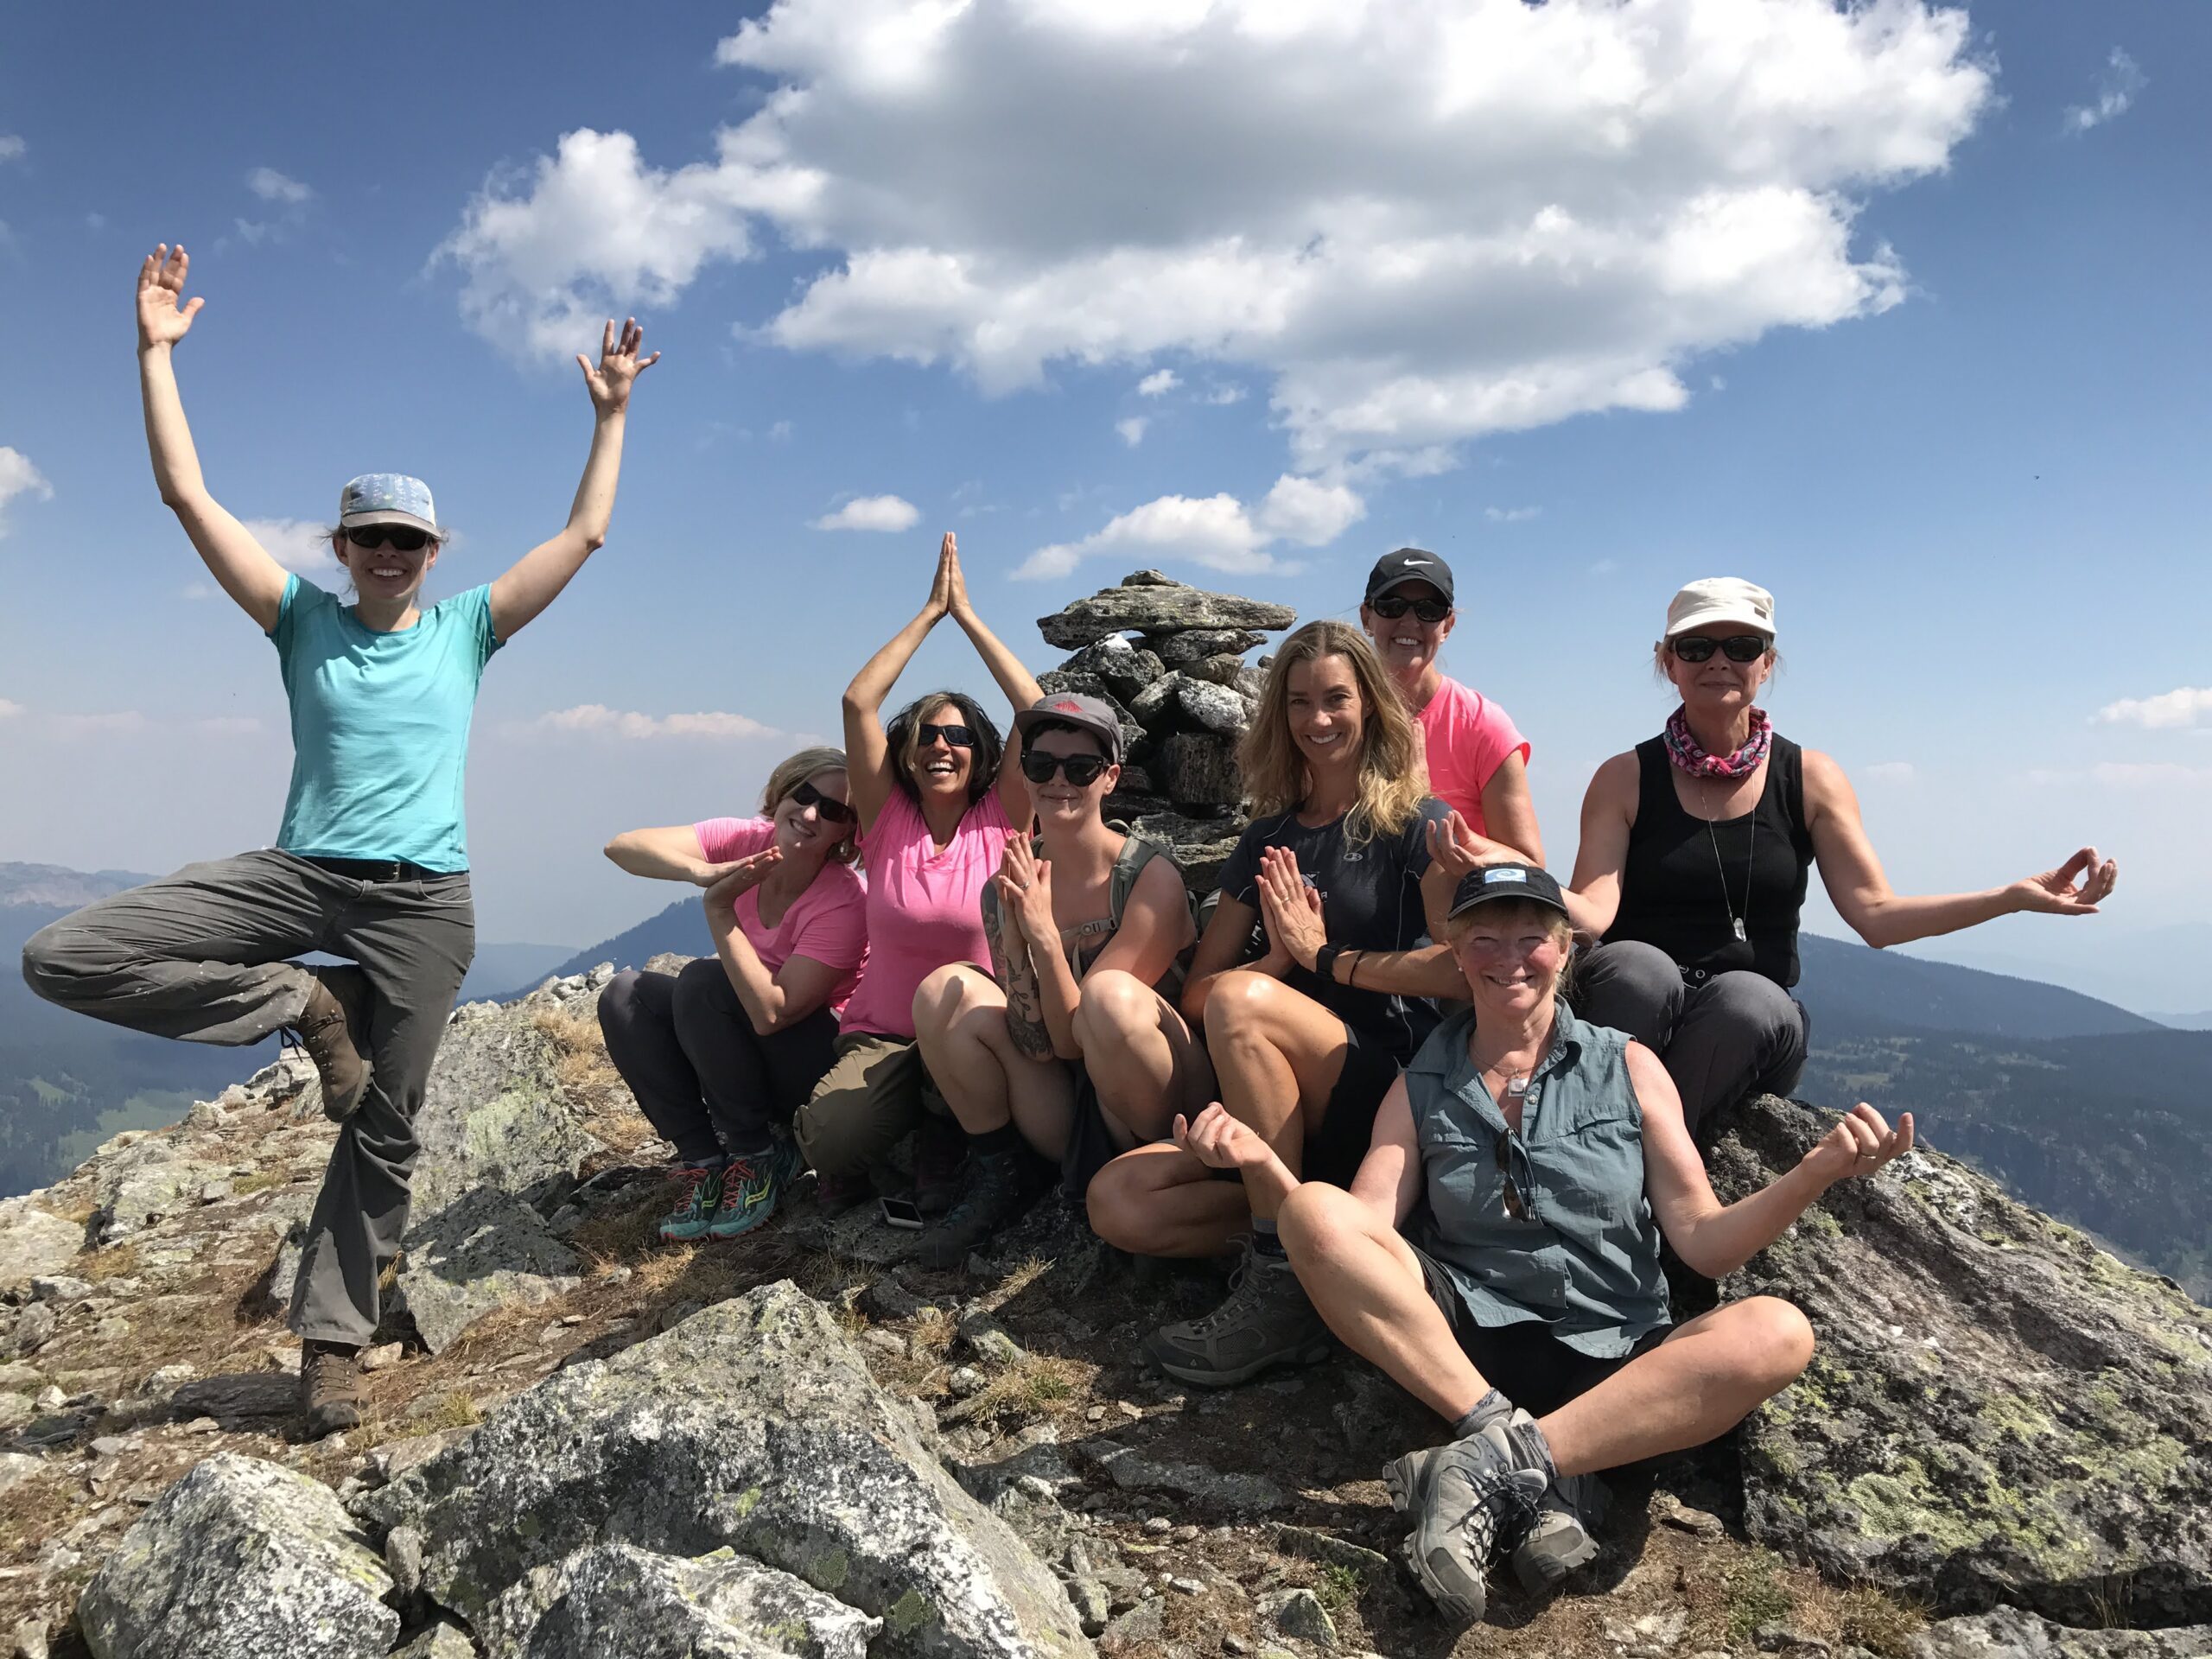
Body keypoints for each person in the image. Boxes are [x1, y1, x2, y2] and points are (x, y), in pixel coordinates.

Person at [21, 245, 658, 1435]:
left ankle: (332, 1347)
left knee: (387, 1127)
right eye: (367, 538)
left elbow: (583, 536)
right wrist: (154, 353)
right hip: (298, 882)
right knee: (61, 954)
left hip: (424, 906)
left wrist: (611, 418)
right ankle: (304, 1010)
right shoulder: (297, 618)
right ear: (340, 547)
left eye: (406, 542)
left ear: (433, 553)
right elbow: (186, 497)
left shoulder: (466, 629)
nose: (386, 555)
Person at [1178, 861, 1911, 1622]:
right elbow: (1363, 1226)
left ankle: (1494, 1463)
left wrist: (1815, 1173)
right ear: (1457, 956)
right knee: (1316, 1214)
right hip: (1468, 1349)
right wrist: (1267, 1168)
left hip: (1619, 1362)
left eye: (1531, 938)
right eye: (1485, 940)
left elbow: (1703, 1242)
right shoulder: (1421, 1082)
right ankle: (1540, 1467)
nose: (1508, 959)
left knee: (1779, 1331)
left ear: (1565, 950)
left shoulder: (1629, 1065)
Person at [1449, 577, 2118, 1138]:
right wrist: (1504, 868)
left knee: (1746, 1001)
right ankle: (1601, 1151)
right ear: (1668, 661)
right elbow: (1595, 910)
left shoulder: (1810, 778)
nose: (1719, 661)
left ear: (1767, 662)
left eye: (1742, 646)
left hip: (1751, 1021)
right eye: (1696, 646)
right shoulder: (1625, 778)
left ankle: (1624, 1163)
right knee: (1637, 968)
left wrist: (2008, 898)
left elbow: (1876, 917)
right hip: (1637, 1002)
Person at [1087, 620, 1464, 1386]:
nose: (1317, 719)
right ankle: (1311, 1241)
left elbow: (1457, 970)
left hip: (1381, 1084)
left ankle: (1278, 1284)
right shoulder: (1268, 838)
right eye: (1298, 702)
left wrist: (1333, 962)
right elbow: (1200, 993)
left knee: (1246, 1003)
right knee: (1118, 1200)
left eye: (1336, 699)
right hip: (1270, 1110)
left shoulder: (1412, 826)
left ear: (1371, 706)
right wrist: (1282, 956)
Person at [791, 533, 1044, 1210]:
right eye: (928, 734)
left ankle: (941, 1130)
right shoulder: (885, 821)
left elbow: (1034, 707)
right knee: (829, 1140)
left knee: (948, 1086)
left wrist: (969, 617)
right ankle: (897, 1133)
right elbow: (857, 704)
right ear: (906, 754)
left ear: (980, 754)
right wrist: (931, 612)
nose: (941, 745)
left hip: (971, 1029)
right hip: (883, 1032)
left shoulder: (1003, 815)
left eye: (958, 735)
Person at [912, 694, 1208, 1268]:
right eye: (1042, 765)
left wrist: (1044, 937)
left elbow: (1083, 1034)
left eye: (1081, 768)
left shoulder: (1150, 879)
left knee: (1109, 999)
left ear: (1110, 779)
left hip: (1153, 1104)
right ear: (1023, 774)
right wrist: (1020, 938)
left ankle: (1161, 1183)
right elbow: (1039, 1043)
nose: (1059, 781)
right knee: (944, 990)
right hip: (1070, 1101)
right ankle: (1004, 1178)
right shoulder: (1008, 888)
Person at [596, 748, 867, 1243]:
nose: (810, 814)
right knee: (625, 995)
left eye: (833, 812)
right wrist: (700, 871)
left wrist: (719, 910)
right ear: (781, 792)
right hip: (747, 1047)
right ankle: (703, 1160)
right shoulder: (746, 840)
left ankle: (758, 1155)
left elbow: (773, 1014)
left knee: (704, 982)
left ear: (847, 833)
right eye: (803, 795)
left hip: (811, 1066)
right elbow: (622, 847)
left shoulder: (843, 901)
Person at [1358, 549, 1542, 860]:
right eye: (1392, 606)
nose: (1409, 621)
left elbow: (1528, 862)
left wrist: (1434, 823)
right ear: (1367, 617)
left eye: (1429, 610)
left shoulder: (1483, 726)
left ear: (1447, 625)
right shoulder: (1336, 717)